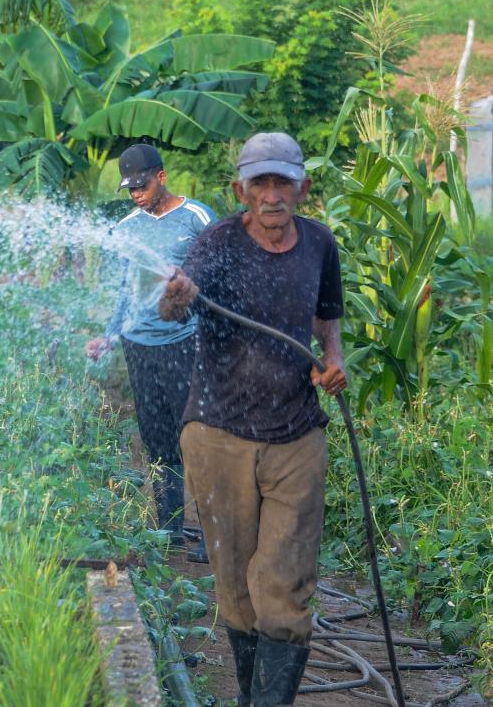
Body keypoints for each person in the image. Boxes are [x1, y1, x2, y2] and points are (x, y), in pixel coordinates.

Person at [159, 132, 347, 707]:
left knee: (285, 588)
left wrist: (333, 360)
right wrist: (177, 294)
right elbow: (174, 307)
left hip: (296, 434)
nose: (271, 196)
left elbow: (327, 317)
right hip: (219, 434)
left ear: (302, 188)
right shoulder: (217, 243)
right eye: (259, 183)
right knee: (238, 588)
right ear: (240, 190)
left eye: (282, 183)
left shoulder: (320, 243)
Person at [86, 142, 217, 562]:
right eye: (130, 189)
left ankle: (215, 533)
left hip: (185, 342)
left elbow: (217, 279)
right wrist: (109, 336)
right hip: (139, 345)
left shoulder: (197, 218)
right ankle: (169, 529)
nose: (136, 195)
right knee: (156, 438)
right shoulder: (126, 228)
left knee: (197, 437)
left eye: (142, 186)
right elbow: (124, 291)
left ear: (161, 177)